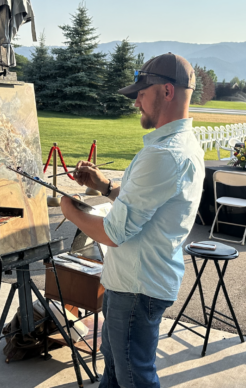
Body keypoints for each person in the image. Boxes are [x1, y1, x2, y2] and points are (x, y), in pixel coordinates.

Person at [59, 53, 205, 388]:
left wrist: (71, 211)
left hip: (137, 288)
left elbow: (112, 233)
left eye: (142, 92)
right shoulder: (176, 145)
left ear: (167, 91)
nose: (136, 101)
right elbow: (146, 203)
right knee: (115, 370)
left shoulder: (164, 154)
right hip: (131, 282)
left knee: (134, 378)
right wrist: (105, 187)